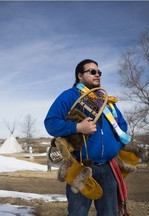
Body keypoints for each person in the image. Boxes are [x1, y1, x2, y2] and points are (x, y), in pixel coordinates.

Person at [44, 59, 129, 216]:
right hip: (80, 167)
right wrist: (78, 127)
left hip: (108, 168)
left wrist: (115, 147)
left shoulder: (104, 99)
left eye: (99, 72)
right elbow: (50, 123)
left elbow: (122, 125)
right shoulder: (69, 96)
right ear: (80, 76)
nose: (97, 75)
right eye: (92, 71)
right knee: (78, 213)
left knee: (110, 214)